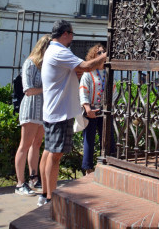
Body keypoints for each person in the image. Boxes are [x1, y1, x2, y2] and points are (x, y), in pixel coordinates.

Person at [37, 20, 107, 207]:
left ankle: (44, 194)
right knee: (55, 155)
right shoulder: (60, 51)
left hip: (54, 110)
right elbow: (84, 66)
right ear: (66, 33)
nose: (73, 38)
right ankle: (50, 198)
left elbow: (73, 72)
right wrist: (106, 56)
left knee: (48, 152)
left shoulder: (52, 51)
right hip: (59, 112)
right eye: (72, 34)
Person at [14, 35, 51, 195]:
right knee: (25, 144)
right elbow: (28, 90)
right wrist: (47, 89)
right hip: (30, 108)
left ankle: (33, 177)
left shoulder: (46, 66)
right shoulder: (30, 63)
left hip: (43, 109)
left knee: (37, 144)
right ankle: (19, 183)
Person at [79, 43, 107, 175]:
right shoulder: (88, 73)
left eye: (103, 53)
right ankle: (88, 169)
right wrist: (87, 108)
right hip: (91, 111)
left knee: (106, 139)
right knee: (89, 141)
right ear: (94, 56)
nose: (102, 55)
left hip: (104, 112)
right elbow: (83, 91)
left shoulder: (107, 72)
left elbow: (112, 90)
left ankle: (106, 164)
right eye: (99, 53)